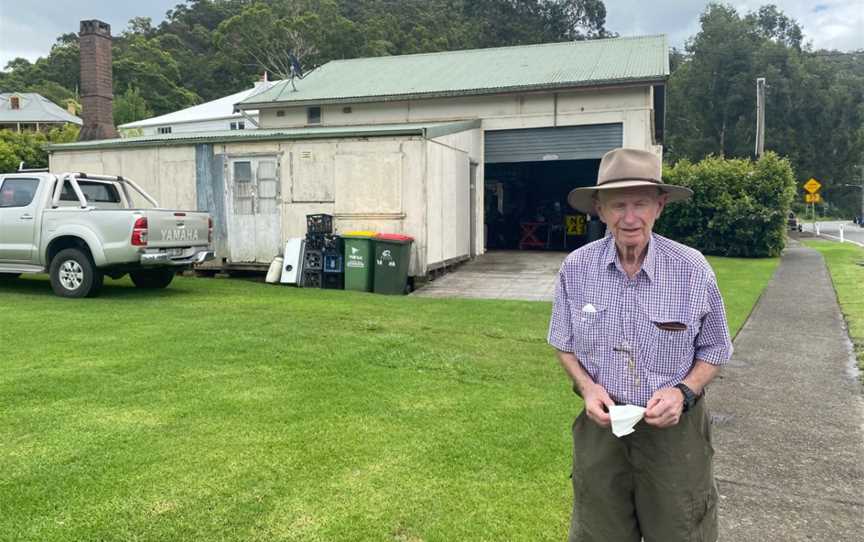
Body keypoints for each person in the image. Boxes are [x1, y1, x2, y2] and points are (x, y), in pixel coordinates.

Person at [547, 148, 733, 542]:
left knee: (680, 531)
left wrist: (683, 391)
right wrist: (588, 386)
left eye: (640, 203)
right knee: (599, 532)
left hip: (674, 436)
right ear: (599, 209)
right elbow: (563, 342)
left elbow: (716, 349)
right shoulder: (576, 269)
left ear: (659, 206)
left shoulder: (692, 270)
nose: (629, 217)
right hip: (601, 434)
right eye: (617, 205)